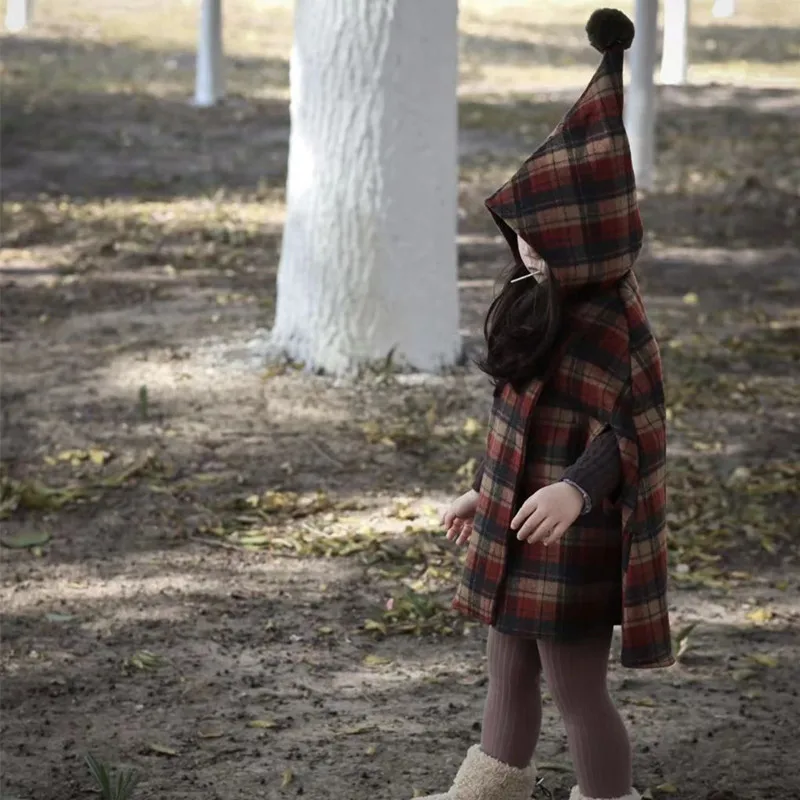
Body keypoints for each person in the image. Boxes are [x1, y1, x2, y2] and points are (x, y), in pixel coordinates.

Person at [421, 9, 674, 800]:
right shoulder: (537, 303)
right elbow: (517, 423)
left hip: (572, 538)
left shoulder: (610, 323)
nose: (525, 248)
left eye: (542, 237)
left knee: (575, 688)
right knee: (507, 669)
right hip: (517, 524)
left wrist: (576, 489)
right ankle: (488, 791)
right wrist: (486, 491)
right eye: (521, 233)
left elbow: (631, 431)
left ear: (587, 238)